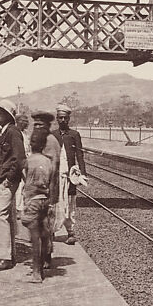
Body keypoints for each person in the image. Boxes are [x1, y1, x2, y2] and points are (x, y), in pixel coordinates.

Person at [0, 98, 26, 271]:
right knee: (6, 216)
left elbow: (19, 159)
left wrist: (9, 178)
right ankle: (9, 255)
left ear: (8, 115)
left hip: (6, 180)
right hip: (2, 179)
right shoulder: (3, 131)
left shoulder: (12, 132)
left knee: (1, 215)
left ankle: (5, 257)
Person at [21, 124, 60, 282]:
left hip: (32, 201)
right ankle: (43, 266)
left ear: (31, 143)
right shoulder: (48, 162)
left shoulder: (28, 161)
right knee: (44, 236)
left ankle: (36, 273)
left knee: (34, 238)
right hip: (45, 201)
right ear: (44, 145)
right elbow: (52, 183)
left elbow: (24, 177)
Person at [51, 104, 87, 243]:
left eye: (65, 118)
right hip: (56, 176)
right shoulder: (52, 135)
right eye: (61, 118)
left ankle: (70, 232)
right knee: (54, 203)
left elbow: (79, 154)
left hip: (70, 176)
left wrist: (82, 174)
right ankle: (52, 230)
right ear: (57, 119)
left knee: (70, 203)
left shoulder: (74, 135)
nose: (63, 120)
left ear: (69, 119)